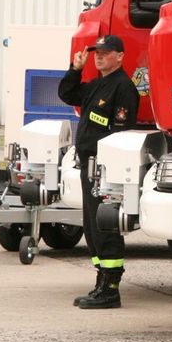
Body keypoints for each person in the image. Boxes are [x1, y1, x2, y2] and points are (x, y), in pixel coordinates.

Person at [57, 34, 139, 309]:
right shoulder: (96, 85)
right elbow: (67, 94)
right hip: (89, 166)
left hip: (105, 168)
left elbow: (120, 131)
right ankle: (101, 281)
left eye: (105, 52)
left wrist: (107, 165)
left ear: (120, 56)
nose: (99, 56)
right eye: (96, 53)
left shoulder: (123, 87)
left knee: (105, 225)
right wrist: (75, 69)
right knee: (92, 227)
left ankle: (112, 288)